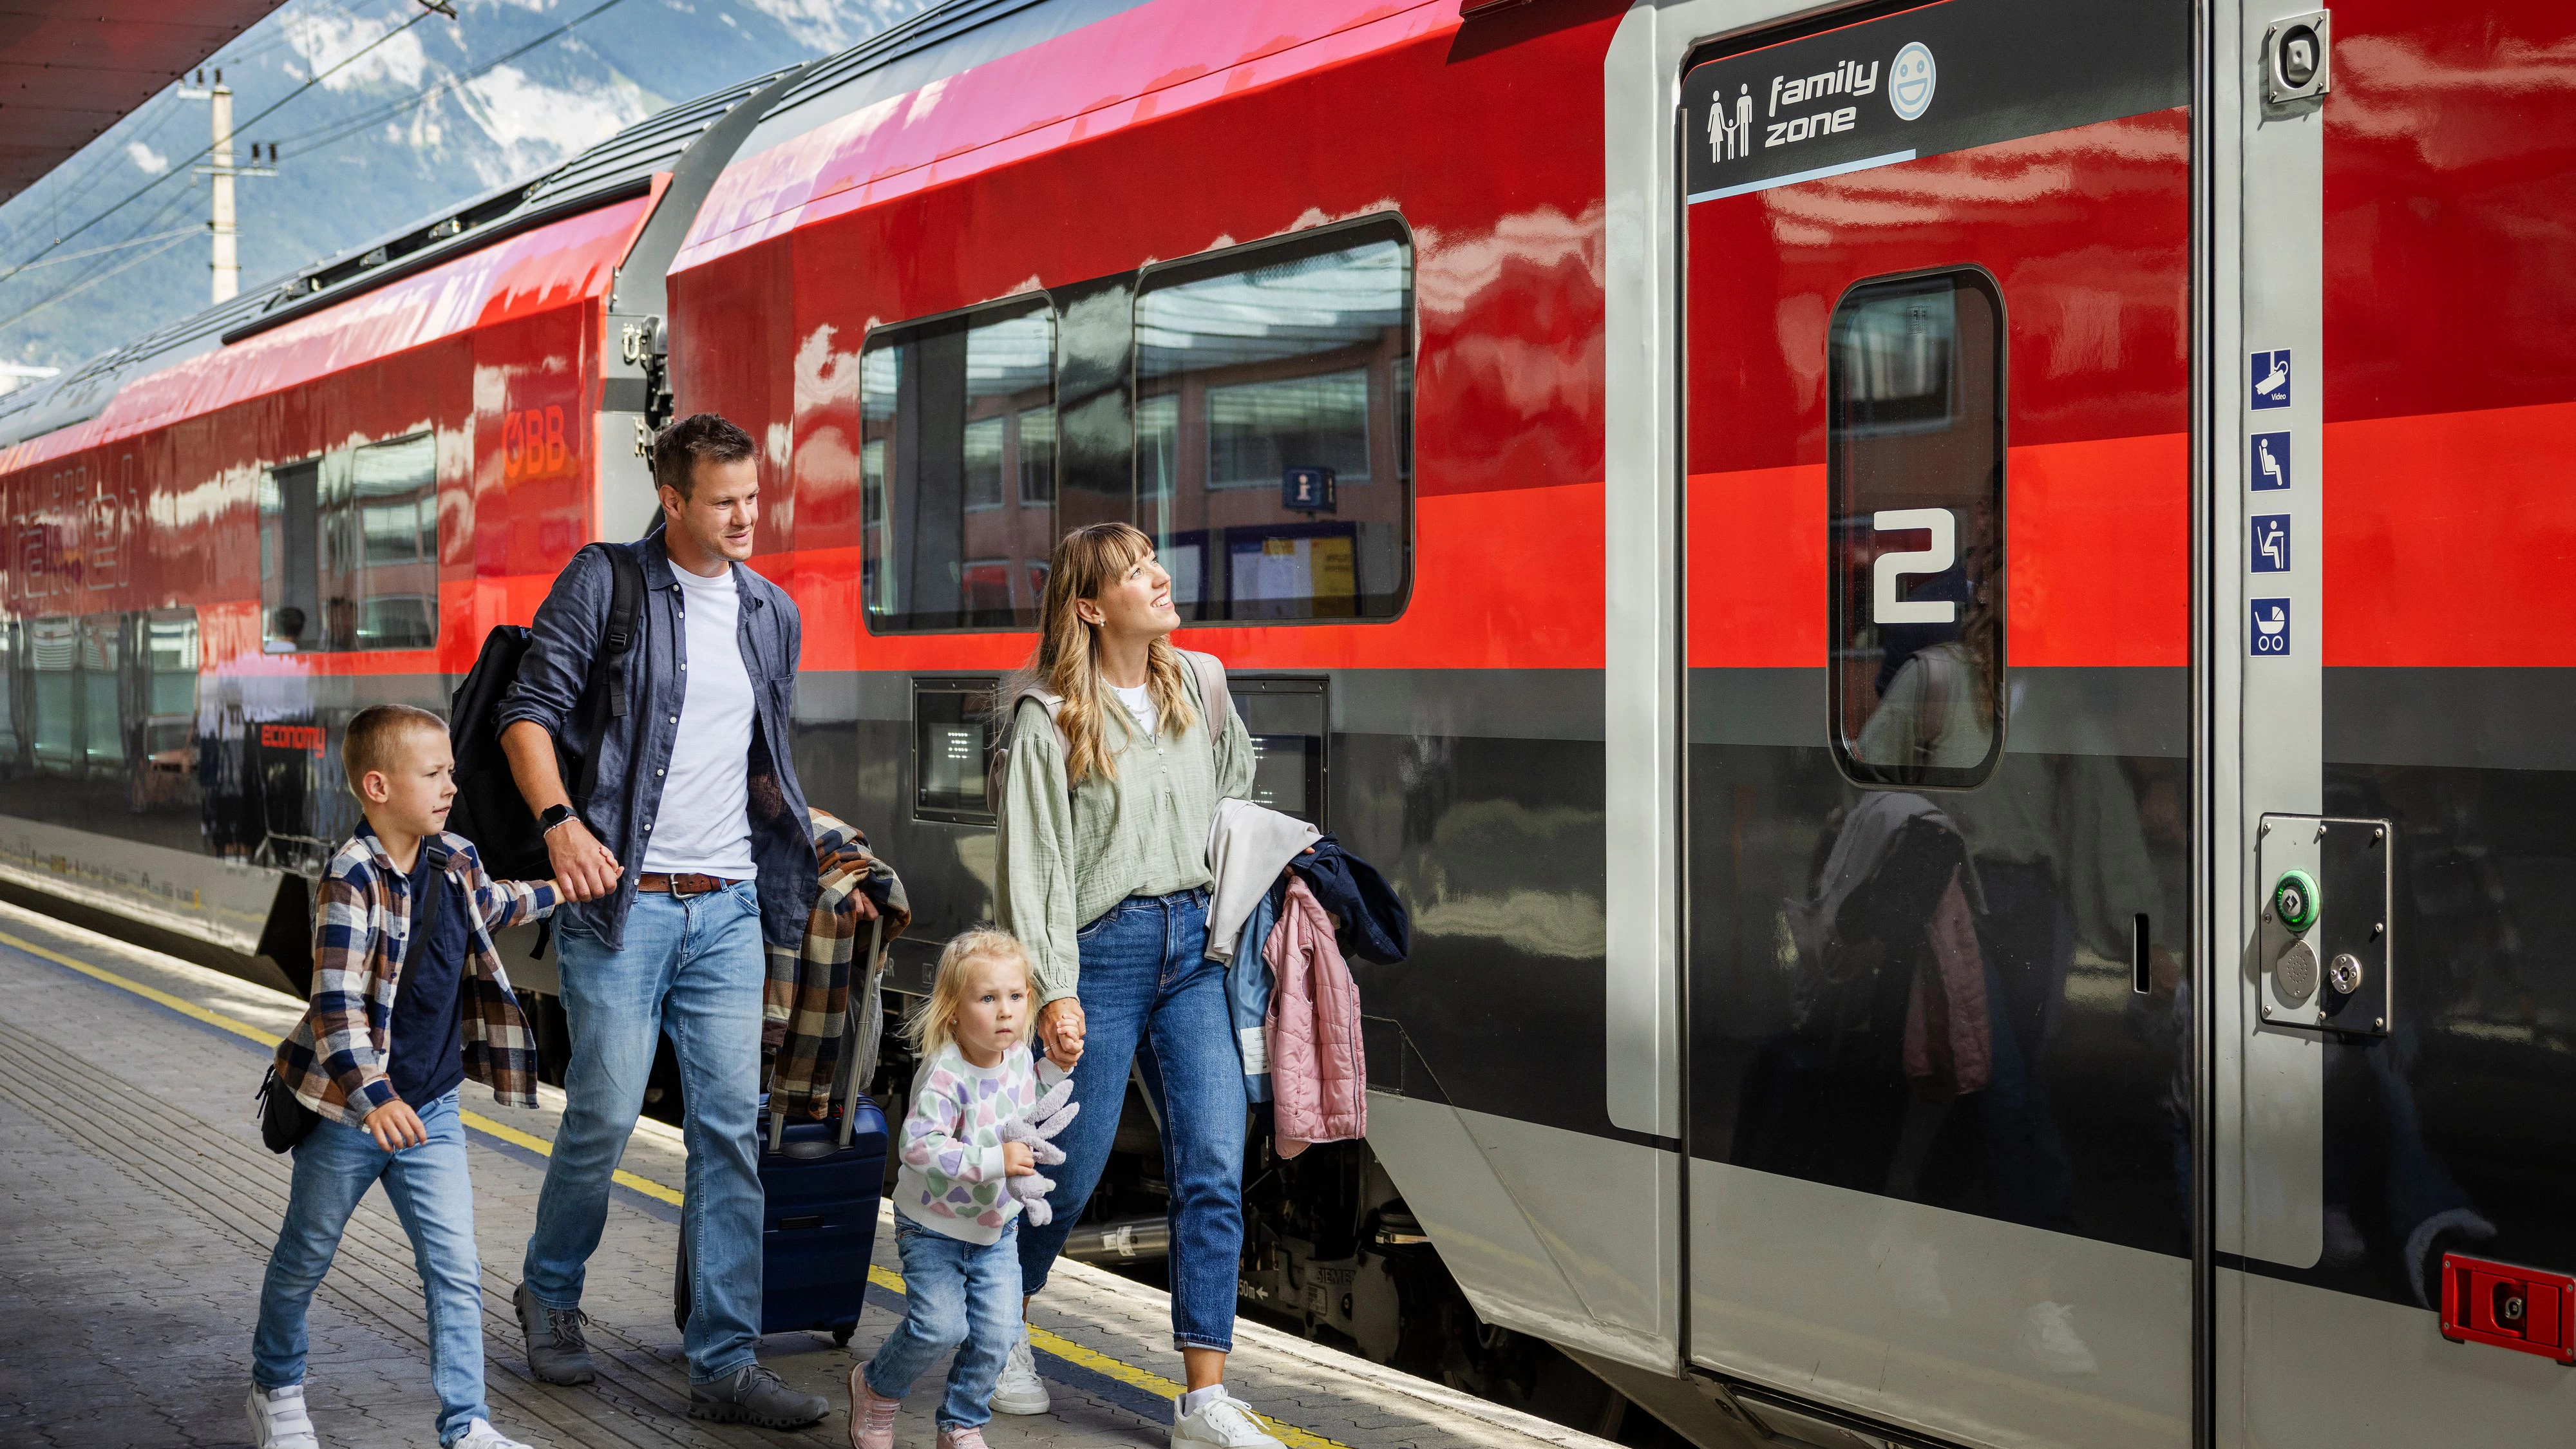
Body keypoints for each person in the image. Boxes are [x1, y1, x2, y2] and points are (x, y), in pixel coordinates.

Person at [498, 412, 826, 1428]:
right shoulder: (607, 583)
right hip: (622, 904)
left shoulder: (772, 612)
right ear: (674, 499)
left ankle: (724, 1360)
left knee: (730, 1132)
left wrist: (820, 838)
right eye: (722, 499)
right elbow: (527, 712)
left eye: (753, 497)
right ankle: (550, 1293)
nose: (744, 516)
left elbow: (757, 761)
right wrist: (559, 825)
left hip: (727, 905)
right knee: (602, 1113)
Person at [994, 522, 1282, 1449]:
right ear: (1090, 605)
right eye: (1136, 572)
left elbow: (1235, 784)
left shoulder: (1200, 680)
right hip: (1099, 953)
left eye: (1155, 563)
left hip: (1195, 948)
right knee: (1068, 1172)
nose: (1161, 579)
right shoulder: (1049, 715)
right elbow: (1034, 862)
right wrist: (1052, 989)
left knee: (1212, 1163)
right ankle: (1006, 1328)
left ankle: (1205, 1397)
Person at [247, 705, 559, 1449]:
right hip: (349, 1113)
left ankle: (466, 1425)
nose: (452, 784)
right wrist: (375, 1096)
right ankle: (275, 1390)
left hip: (432, 1111)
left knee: (456, 1269)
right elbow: (334, 1006)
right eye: (435, 774)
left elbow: (496, 904)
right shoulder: (351, 875)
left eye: (451, 770)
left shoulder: (454, 857)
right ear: (378, 787)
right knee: (305, 1258)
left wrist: (568, 888)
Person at [849, 930, 1063, 1449]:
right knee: (939, 1327)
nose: (1006, 1012)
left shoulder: (1014, 1056)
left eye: (1016, 997)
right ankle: (875, 1389)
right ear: (952, 1010)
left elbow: (1031, 1092)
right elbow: (918, 1148)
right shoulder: (945, 1074)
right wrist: (995, 1160)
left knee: (998, 1334)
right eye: (988, 999)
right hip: (933, 1228)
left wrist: (1058, 1064)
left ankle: (962, 1423)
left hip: (996, 1228)